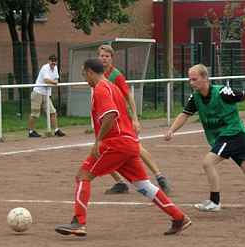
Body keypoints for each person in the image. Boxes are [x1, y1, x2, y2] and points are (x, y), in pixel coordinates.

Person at [54, 59, 191, 237]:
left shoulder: (101, 88)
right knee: (144, 185)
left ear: (89, 72)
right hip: (129, 143)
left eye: (83, 74)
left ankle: (79, 222)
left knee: (83, 176)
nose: (84, 78)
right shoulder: (112, 87)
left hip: (115, 143)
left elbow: (110, 115)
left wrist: (98, 140)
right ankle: (179, 217)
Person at [164, 64, 245, 216]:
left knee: (208, 162)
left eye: (194, 79)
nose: (191, 83)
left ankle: (214, 201)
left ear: (205, 78)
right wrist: (172, 130)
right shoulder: (195, 97)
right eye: (190, 79)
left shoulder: (222, 92)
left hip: (233, 133)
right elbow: (185, 114)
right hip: (224, 136)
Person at [97, 44, 172, 195]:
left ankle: (160, 176)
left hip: (121, 119)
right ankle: (120, 182)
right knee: (100, 149)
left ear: (112, 58)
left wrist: (135, 119)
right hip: (107, 119)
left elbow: (128, 96)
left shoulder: (115, 75)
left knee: (136, 148)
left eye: (107, 56)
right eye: (101, 56)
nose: (104, 58)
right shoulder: (97, 74)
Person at [28, 54, 65, 138]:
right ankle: (31, 131)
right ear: (49, 61)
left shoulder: (55, 68)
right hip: (38, 92)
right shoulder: (45, 68)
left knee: (53, 112)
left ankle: (56, 130)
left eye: (55, 62)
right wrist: (54, 82)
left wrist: (54, 81)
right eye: (52, 62)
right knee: (35, 113)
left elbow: (56, 78)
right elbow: (46, 80)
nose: (53, 64)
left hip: (46, 93)